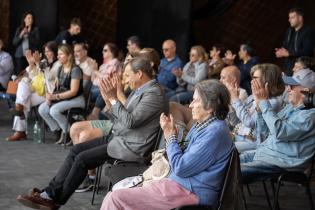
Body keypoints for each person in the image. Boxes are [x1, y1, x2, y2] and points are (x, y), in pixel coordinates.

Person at [16, 58, 168, 210]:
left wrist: (114, 98)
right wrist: (109, 100)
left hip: (131, 147)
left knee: (82, 159)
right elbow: (121, 119)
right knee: (76, 150)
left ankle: (55, 201)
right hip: (120, 138)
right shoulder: (140, 91)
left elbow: (130, 121)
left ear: (139, 74)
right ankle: (49, 193)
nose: (125, 80)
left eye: (128, 75)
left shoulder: (154, 93)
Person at [100, 80, 234, 210]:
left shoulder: (214, 133)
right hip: (181, 184)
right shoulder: (205, 125)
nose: (191, 105)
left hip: (191, 190)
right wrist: (172, 135)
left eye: (196, 100)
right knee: (119, 193)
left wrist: (170, 136)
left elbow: (181, 167)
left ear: (210, 106)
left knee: (115, 198)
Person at [241, 68, 315, 184]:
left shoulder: (311, 115)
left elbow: (280, 132)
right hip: (264, 154)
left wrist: (264, 103)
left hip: (280, 162)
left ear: (305, 91)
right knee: (222, 164)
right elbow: (265, 132)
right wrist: (259, 108)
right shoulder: (290, 107)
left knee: (228, 173)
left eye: (292, 86)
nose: (288, 89)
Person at [6, 41, 60, 141]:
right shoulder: (44, 61)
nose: (46, 53)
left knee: (22, 102)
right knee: (23, 84)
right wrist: (31, 64)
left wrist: (38, 63)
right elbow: (33, 75)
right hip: (37, 90)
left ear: (55, 52)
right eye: (45, 51)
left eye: (49, 51)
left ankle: (20, 131)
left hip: (48, 93)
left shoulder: (58, 64)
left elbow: (49, 78)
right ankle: (19, 108)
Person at [227, 64, 284, 153]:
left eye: (255, 78)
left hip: (252, 143)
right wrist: (231, 103)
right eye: (252, 78)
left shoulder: (273, 102)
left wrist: (236, 100)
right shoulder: (251, 97)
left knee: (220, 148)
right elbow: (235, 122)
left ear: (267, 80)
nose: (251, 81)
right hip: (238, 136)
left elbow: (249, 122)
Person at [38, 44, 85, 144]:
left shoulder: (75, 70)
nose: (58, 56)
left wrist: (56, 96)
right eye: (58, 54)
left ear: (69, 56)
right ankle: (57, 129)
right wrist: (50, 96)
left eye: (61, 54)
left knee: (54, 110)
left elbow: (74, 91)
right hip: (63, 98)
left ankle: (68, 132)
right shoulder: (60, 69)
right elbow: (58, 88)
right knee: (42, 108)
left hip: (76, 100)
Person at [87, 42, 122, 120]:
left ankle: (95, 113)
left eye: (105, 50)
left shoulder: (115, 62)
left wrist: (95, 71)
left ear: (112, 52)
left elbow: (107, 78)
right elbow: (93, 80)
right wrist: (93, 69)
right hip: (94, 88)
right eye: (103, 50)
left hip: (103, 89)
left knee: (103, 89)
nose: (102, 52)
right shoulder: (103, 65)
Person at [275, 7, 315, 76]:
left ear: (300, 18)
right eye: (289, 18)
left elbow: (307, 51)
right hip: (288, 67)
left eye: (292, 17)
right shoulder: (289, 31)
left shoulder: (308, 31)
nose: (289, 20)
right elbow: (285, 46)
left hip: (301, 68)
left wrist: (289, 53)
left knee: (298, 86)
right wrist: (281, 51)